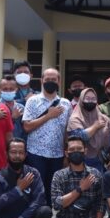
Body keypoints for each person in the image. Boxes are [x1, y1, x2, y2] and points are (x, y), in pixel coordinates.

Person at [23, 67, 72, 206]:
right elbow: (27, 126)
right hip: (36, 154)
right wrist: (48, 116)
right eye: (47, 79)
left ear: (59, 81)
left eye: (53, 79)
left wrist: (66, 154)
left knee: (52, 193)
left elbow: (67, 131)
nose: (50, 82)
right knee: (37, 192)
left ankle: (48, 217)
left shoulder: (66, 104)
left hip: (57, 155)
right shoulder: (33, 101)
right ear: (41, 81)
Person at [49, 136, 105, 218]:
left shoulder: (95, 174)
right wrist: (80, 189)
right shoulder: (59, 175)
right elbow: (57, 204)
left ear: (85, 151)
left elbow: (101, 202)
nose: (76, 152)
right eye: (72, 149)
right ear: (66, 153)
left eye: (79, 149)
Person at [67, 87, 110, 171]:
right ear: (81, 100)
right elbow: (79, 137)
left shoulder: (103, 118)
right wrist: (95, 127)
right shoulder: (75, 119)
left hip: (101, 161)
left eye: (93, 99)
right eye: (87, 98)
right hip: (80, 162)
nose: (90, 101)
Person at [0, 74, 26, 141]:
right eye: (5, 89)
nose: (8, 91)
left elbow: (25, 129)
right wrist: (12, 118)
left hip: (18, 143)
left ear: (16, 90)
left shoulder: (21, 108)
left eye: (11, 89)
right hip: (1, 143)